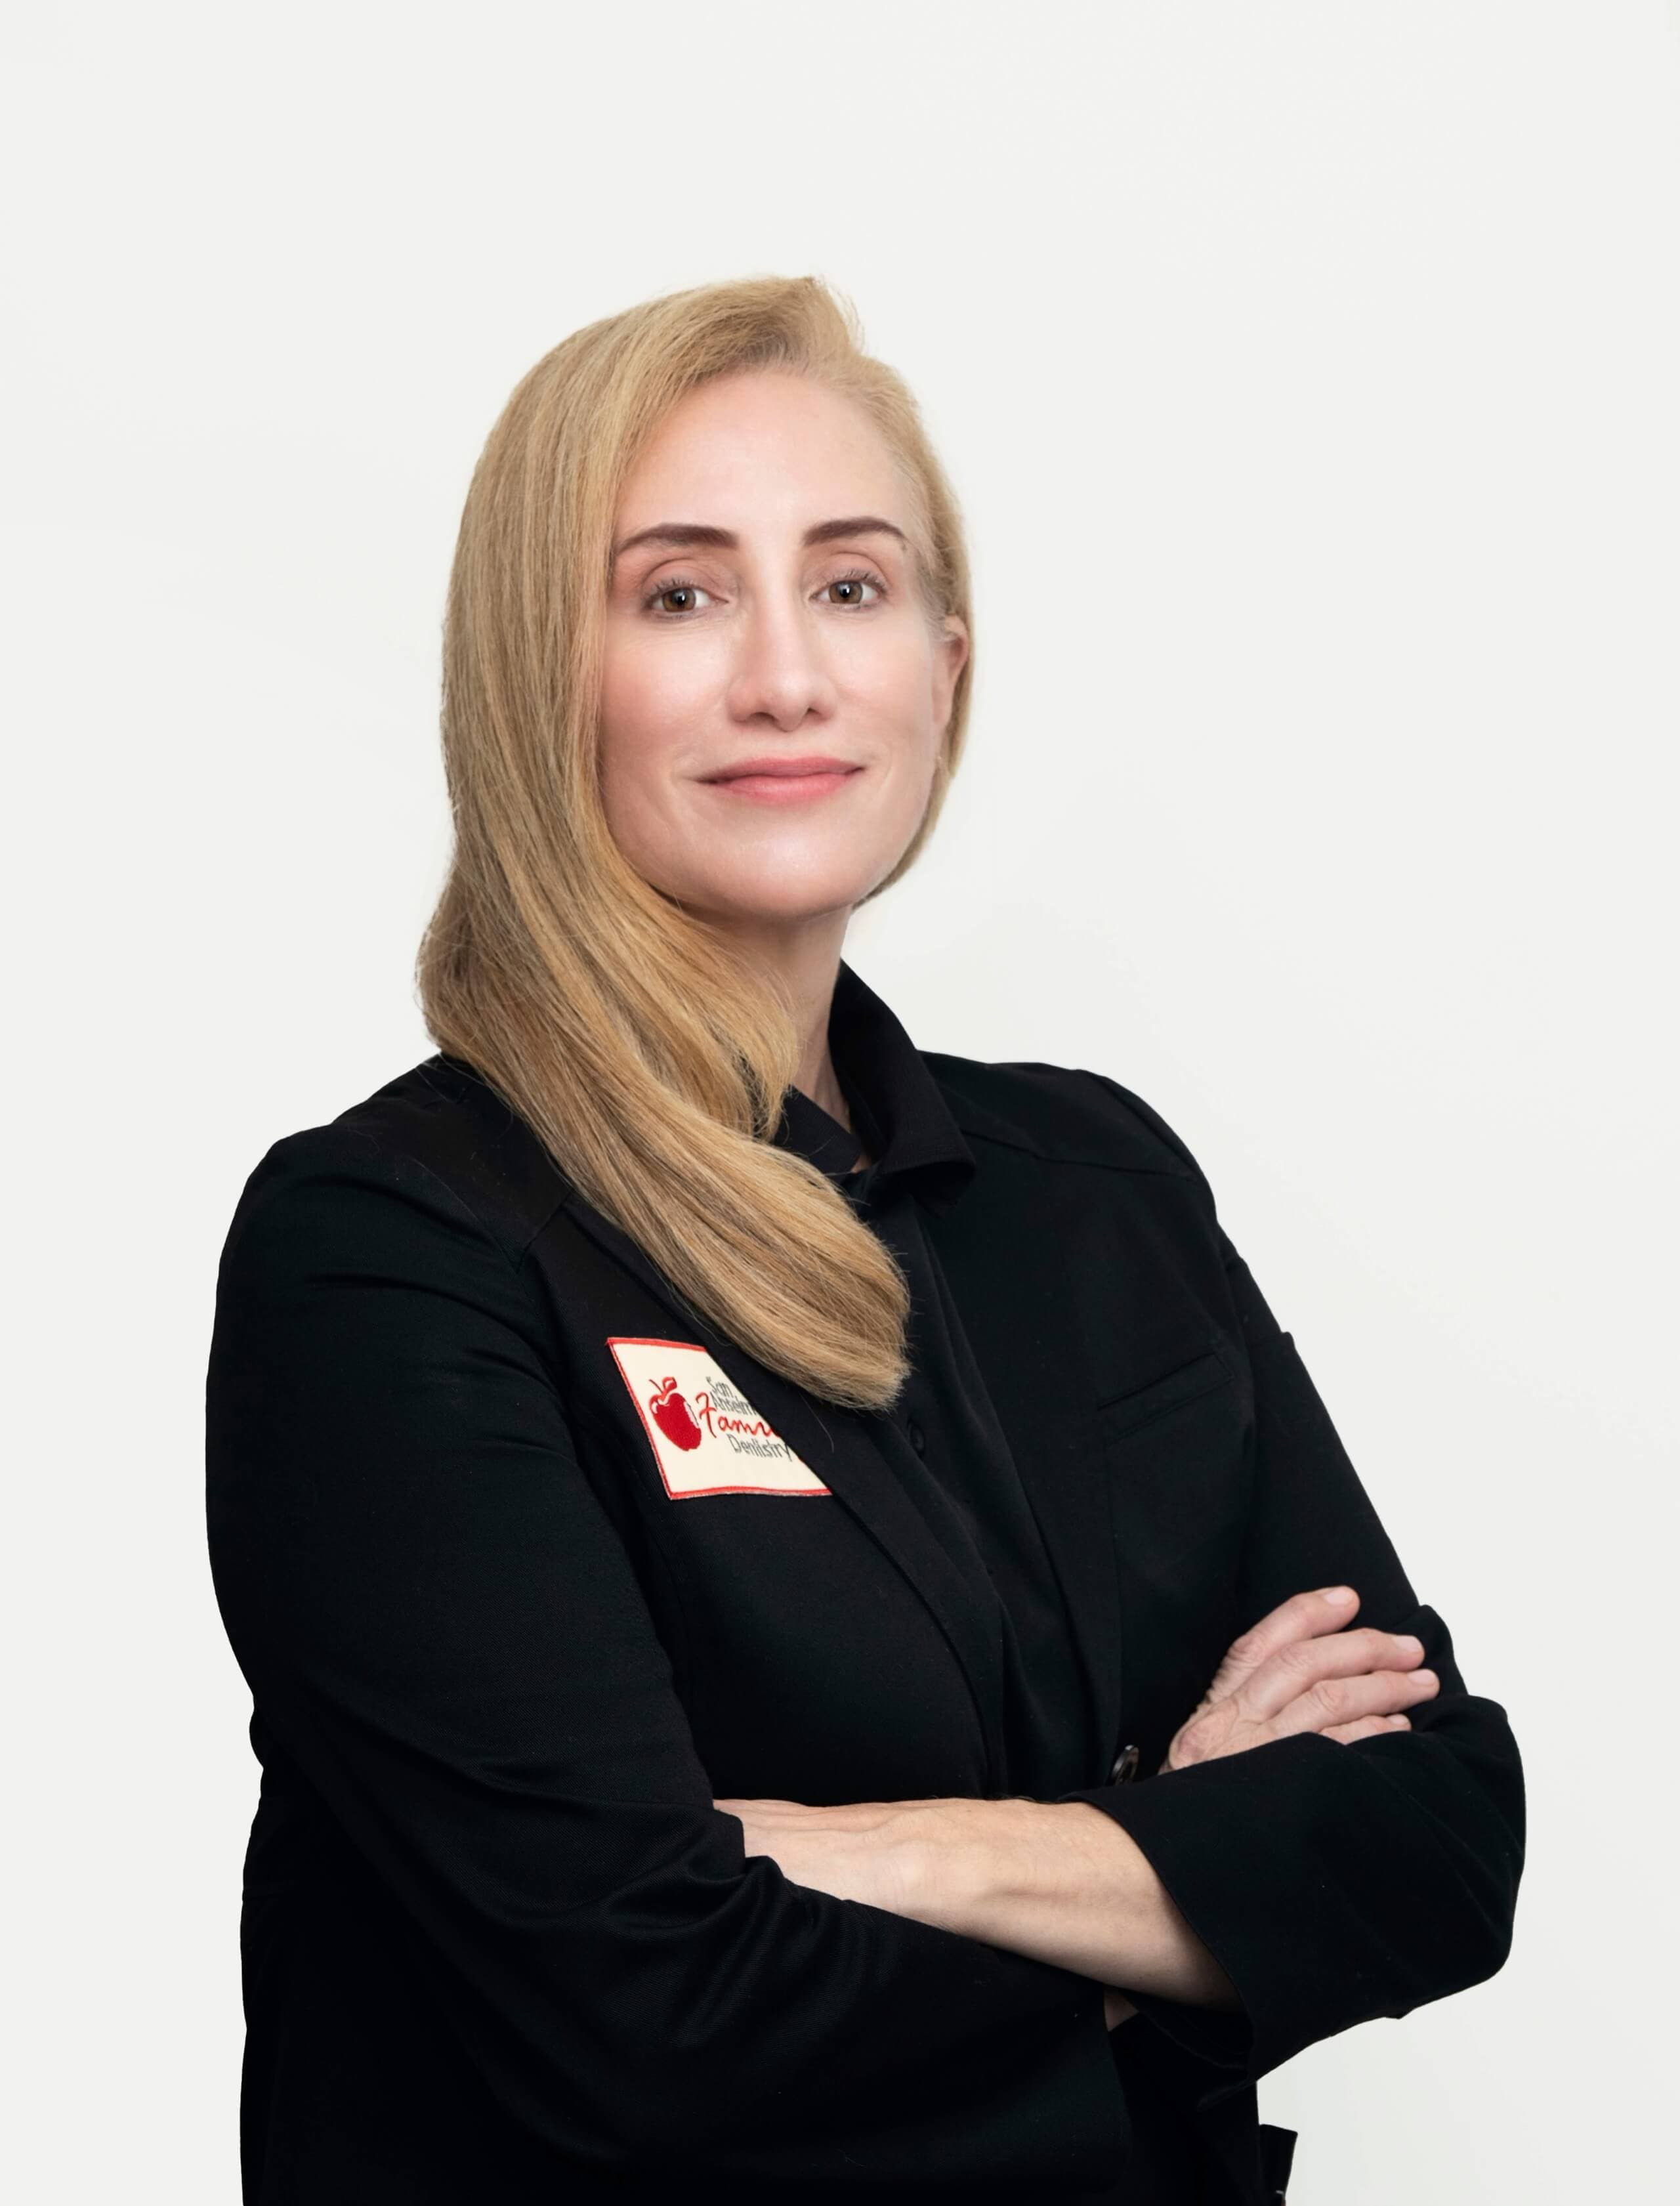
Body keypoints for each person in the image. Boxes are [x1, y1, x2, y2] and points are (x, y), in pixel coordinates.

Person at [204, 274, 1524, 2205]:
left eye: (848, 584)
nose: (787, 678)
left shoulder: (1095, 1185)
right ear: (531, 672)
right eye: (678, 592)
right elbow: (647, 2005)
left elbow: (1430, 1831)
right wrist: (1187, 1849)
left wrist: (894, 1850)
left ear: (947, 665)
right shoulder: (393, 1253)